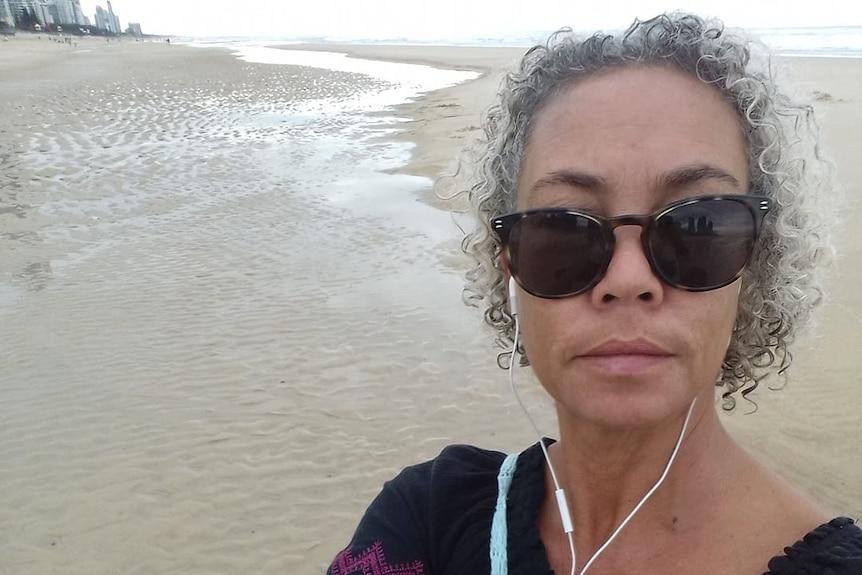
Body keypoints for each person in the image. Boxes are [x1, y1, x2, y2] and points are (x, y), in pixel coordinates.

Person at [326, 13, 862, 575]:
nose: (628, 280)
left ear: (754, 265)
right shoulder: (429, 518)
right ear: (508, 271)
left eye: (698, 225)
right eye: (565, 229)